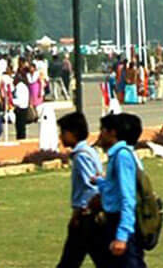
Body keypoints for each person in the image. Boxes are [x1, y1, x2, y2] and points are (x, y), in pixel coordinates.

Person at [96, 112, 147, 268]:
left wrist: (122, 235)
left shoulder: (122, 156)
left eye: (102, 130)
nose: (100, 135)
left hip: (121, 221)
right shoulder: (121, 155)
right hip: (116, 220)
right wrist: (100, 182)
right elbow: (115, 189)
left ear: (112, 133)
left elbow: (127, 197)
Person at [56, 110, 103, 268]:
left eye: (63, 132)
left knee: (70, 260)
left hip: (86, 217)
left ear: (73, 133)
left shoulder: (82, 156)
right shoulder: (89, 151)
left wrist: (80, 212)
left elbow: (90, 186)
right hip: (88, 215)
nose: (61, 137)